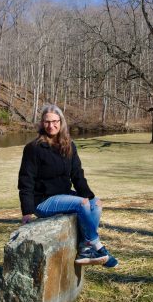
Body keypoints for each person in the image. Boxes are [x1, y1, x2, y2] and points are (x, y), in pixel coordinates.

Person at [18, 104, 118, 267]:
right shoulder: (33, 148)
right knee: (81, 203)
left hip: (63, 195)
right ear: (42, 123)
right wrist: (27, 211)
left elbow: (77, 174)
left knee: (95, 204)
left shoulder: (69, 145)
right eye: (47, 122)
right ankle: (97, 245)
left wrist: (90, 196)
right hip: (43, 201)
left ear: (61, 122)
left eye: (55, 121)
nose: (51, 125)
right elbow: (26, 180)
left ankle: (85, 249)